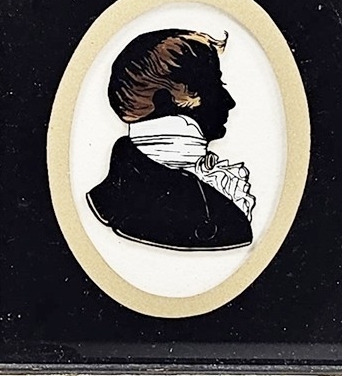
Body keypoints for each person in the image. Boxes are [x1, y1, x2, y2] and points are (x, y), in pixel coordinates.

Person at [84, 28, 255, 251]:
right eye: (215, 85)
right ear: (166, 101)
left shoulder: (119, 189)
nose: (230, 101)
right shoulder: (199, 207)